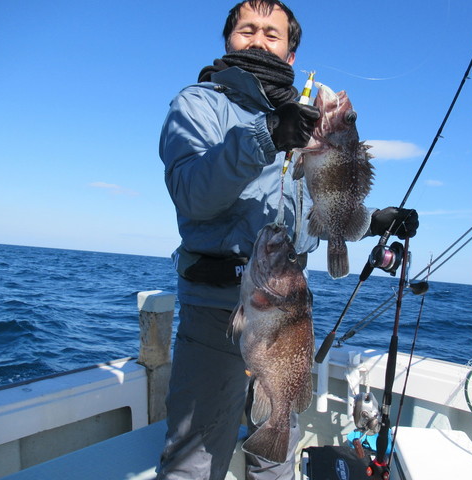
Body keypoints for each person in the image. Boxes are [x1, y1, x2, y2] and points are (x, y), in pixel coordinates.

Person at [155, 1, 419, 479]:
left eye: (271, 33)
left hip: (291, 307)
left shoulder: (302, 119)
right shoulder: (198, 104)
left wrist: (370, 220)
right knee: (193, 460)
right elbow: (192, 194)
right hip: (217, 309)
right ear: (228, 40)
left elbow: (313, 203)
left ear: (292, 54)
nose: (258, 39)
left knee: (275, 454)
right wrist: (265, 135)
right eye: (247, 30)